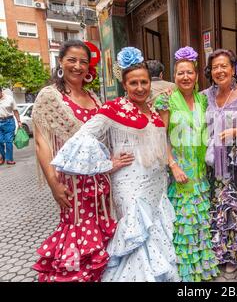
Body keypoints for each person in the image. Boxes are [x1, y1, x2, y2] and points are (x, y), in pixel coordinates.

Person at [51, 47, 179, 282]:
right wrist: (106, 163)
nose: (140, 88)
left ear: (150, 83)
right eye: (133, 83)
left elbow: (160, 144)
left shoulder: (151, 110)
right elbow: (82, 138)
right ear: (124, 84)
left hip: (156, 185)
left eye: (144, 82)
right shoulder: (112, 109)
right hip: (129, 186)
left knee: (154, 237)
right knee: (135, 240)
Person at [31, 40, 125, 282]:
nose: (78, 66)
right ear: (60, 62)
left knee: (101, 232)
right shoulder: (50, 97)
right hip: (72, 184)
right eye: (72, 60)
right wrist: (53, 185)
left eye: (83, 61)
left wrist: (112, 163)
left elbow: (104, 138)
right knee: (77, 232)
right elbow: (42, 144)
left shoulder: (94, 97)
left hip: (100, 184)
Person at [154, 46, 219, 282]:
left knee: (200, 219)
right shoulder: (166, 101)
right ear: (174, 76)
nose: (185, 77)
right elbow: (161, 137)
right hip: (180, 170)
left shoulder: (203, 100)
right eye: (180, 73)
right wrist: (173, 165)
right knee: (184, 220)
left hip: (200, 170)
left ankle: (201, 267)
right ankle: (184, 272)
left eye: (189, 72)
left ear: (196, 75)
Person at [203, 49, 237, 273]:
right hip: (212, 164)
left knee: (235, 208)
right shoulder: (205, 95)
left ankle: (236, 255)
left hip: (236, 165)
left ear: (233, 69)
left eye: (224, 66)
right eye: (215, 67)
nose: (219, 70)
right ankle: (218, 253)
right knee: (216, 207)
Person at [0, 88, 22, 165]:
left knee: (9, 141)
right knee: (0, 141)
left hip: (9, 122)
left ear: (1, 91)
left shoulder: (9, 98)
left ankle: (9, 159)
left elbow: (15, 110)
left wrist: (19, 121)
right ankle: (2, 157)